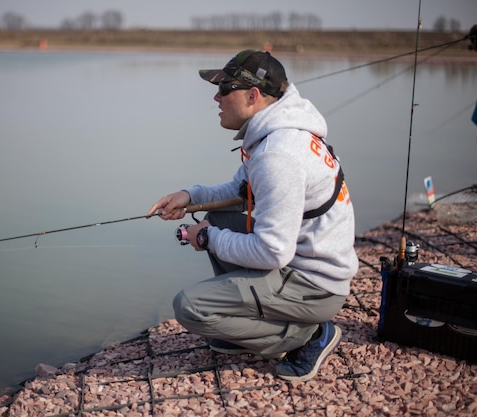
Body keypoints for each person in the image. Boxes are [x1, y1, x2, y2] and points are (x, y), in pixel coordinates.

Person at [147, 49, 359, 382]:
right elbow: (238, 194)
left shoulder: (279, 155)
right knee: (217, 220)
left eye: (224, 89)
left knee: (189, 306)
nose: (216, 97)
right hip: (303, 266)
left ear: (252, 95)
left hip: (315, 286)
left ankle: (310, 336)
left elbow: (274, 251)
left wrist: (206, 238)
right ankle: (246, 330)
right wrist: (190, 197)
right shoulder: (276, 132)